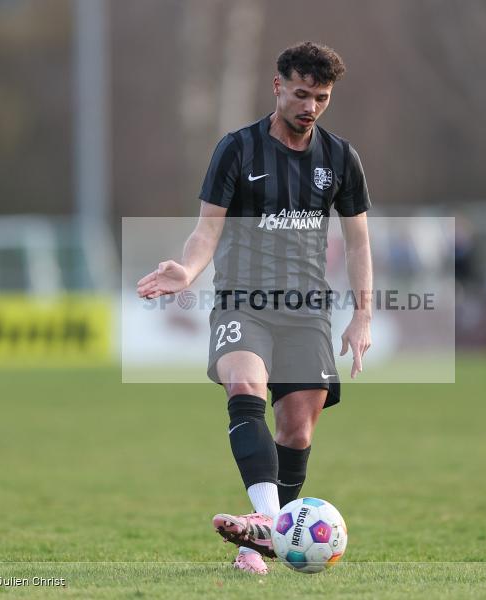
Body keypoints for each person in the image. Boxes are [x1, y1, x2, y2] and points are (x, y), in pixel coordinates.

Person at [136, 41, 372, 575]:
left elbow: (358, 244)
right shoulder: (236, 149)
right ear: (277, 86)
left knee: (297, 432)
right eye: (301, 94)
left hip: (307, 309)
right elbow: (207, 230)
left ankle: (256, 541)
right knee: (244, 386)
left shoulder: (341, 158)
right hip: (243, 300)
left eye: (322, 97)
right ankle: (268, 520)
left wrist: (363, 314)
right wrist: (187, 270)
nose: (310, 106)